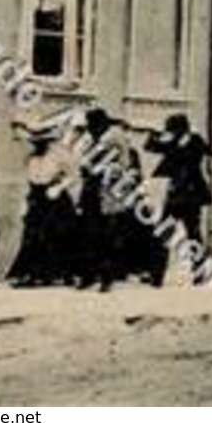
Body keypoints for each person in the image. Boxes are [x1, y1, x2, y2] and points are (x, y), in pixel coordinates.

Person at [6, 129, 78, 288]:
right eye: (35, 143)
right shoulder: (30, 158)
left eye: (42, 142)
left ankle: (63, 273)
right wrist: (24, 202)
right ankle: (33, 274)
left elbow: (72, 176)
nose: (38, 145)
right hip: (37, 197)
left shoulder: (58, 156)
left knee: (57, 234)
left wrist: (59, 187)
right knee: (33, 234)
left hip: (54, 197)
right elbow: (29, 180)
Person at [76, 108, 134, 292]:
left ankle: (106, 277)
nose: (92, 129)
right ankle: (88, 276)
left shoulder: (115, 137)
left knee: (107, 236)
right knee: (88, 234)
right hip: (91, 190)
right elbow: (81, 160)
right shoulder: (87, 139)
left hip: (110, 191)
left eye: (94, 126)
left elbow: (124, 163)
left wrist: (107, 170)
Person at [145, 113, 212, 249]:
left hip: (190, 193)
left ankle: (198, 261)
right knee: (169, 227)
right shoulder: (176, 142)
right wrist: (154, 135)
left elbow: (209, 152)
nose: (170, 133)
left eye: (172, 129)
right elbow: (151, 147)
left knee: (191, 230)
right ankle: (158, 261)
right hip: (180, 193)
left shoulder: (194, 141)